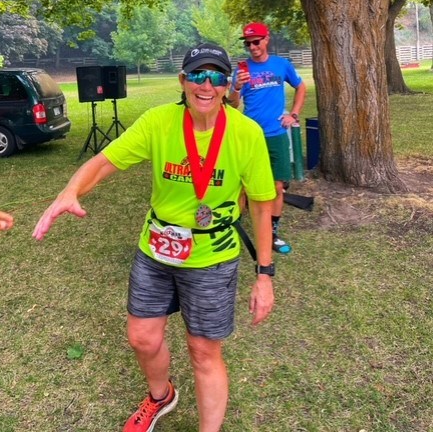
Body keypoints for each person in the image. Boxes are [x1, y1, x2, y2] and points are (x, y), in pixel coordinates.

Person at [33, 42, 276, 432]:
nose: (206, 85)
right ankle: (161, 397)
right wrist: (71, 190)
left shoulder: (246, 134)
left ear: (227, 85)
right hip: (157, 250)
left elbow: (263, 205)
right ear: (182, 80)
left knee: (203, 351)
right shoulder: (157, 122)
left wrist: (264, 275)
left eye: (216, 77)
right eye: (198, 75)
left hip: (212, 255)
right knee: (142, 338)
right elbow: (104, 161)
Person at [229, 22, 306, 255]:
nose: (252, 47)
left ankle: (272, 233)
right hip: (249, 136)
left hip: (276, 135)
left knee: (278, 187)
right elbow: (232, 104)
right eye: (248, 43)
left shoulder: (281, 65)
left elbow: (300, 87)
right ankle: (234, 230)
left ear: (266, 39)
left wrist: (293, 115)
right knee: (242, 187)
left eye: (256, 41)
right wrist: (236, 88)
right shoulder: (241, 71)